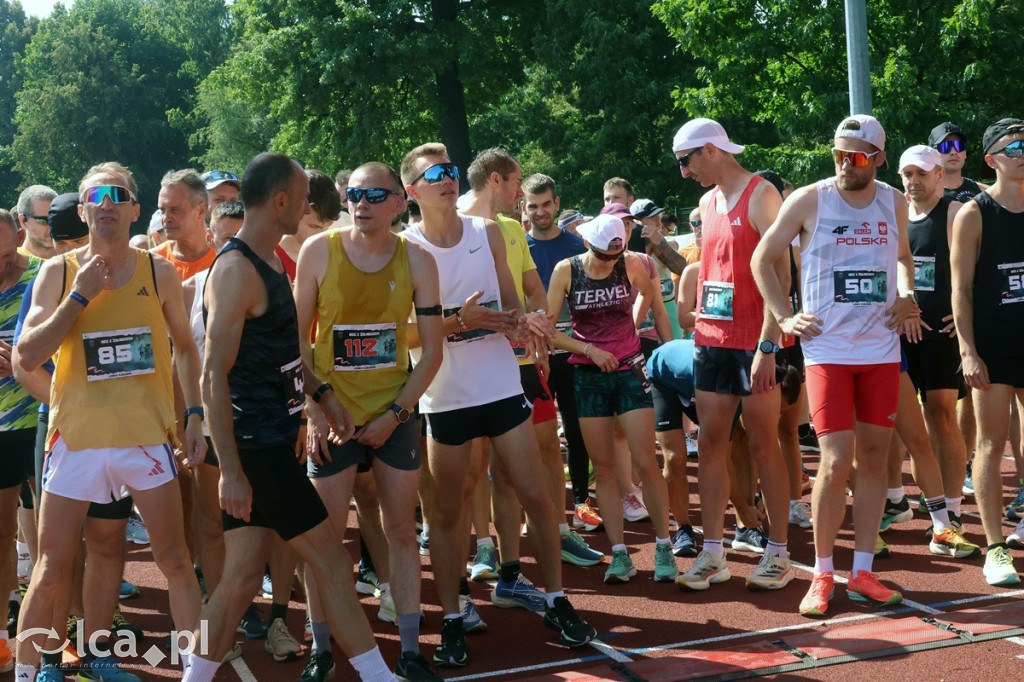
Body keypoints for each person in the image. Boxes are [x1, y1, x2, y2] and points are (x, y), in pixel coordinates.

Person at [183, 152, 396, 682]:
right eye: (302, 198)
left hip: (272, 441)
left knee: (238, 580)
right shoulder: (235, 271)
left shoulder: (273, 258)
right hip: (257, 451)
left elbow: (285, 349)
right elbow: (212, 377)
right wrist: (231, 471)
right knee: (332, 562)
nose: (307, 207)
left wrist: (321, 395)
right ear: (280, 201)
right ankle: (378, 676)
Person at [400, 143, 595, 668]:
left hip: (501, 386)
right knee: (447, 512)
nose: (447, 179)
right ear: (412, 191)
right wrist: (458, 322)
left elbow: (511, 305)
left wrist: (525, 322)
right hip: (445, 397)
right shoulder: (406, 247)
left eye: (449, 170)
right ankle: (454, 617)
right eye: (434, 174)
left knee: (537, 496)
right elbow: (406, 337)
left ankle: (557, 600)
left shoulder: (487, 233)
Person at [15, 162, 205, 680]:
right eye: (95, 196)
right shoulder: (58, 273)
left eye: (117, 195)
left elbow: (186, 350)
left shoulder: (158, 272)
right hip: (76, 440)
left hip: (144, 439)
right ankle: (33, 673)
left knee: (174, 560)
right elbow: (27, 355)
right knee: (51, 569)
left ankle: (195, 672)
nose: (106, 204)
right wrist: (80, 296)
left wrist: (192, 414)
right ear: (83, 210)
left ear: (134, 209)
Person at [752, 114, 920, 616]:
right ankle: (822, 573)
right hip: (827, 349)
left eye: (857, 156)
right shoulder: (810, 199)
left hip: (881, 349)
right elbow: (763, 258)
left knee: (876, 457)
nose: (846, 164)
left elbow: (904, 258)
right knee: (835, 458)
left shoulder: (894, 200)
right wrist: (785, 316)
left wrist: (906, 294)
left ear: (879, 158)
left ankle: (863, 570)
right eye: (839, 154)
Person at [294, 161, 444, 681]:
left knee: (401, 532)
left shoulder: (418, 259)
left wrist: (396, 415)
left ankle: (410, 652)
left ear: (400, 202)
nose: (361, 204)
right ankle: (321, 651)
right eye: (354, 194)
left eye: (375, 196)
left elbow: (432, 354)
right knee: (324, 540)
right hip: (332, 418)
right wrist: (316, 407)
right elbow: (295, 345)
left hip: (392, 415)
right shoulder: (319, 251)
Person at [462, 149, 603, 574]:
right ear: (496, 180)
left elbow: (533, 290)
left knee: (544, 447)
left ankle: (560, 532)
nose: (522, 196)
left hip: (522, 360)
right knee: (477, 462)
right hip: (469, 362)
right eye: (516, 183)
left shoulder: (510, 229)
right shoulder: (449, 226)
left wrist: (539, 328)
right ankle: (485, 546)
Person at [670, 117, 794, 593]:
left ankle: (778, 552)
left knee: (764, 445)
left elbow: (782, 275)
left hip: (755, 342)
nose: (685, 172)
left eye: (687, 161)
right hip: (711, 340)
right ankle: (714, 553)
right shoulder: (707, 202)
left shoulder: (762, 195)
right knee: (710, 445)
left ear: (711, 150)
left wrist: (767, 345)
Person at [547, 213, 676, 583]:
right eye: (604, 256)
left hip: (629, 371)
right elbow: (551, 330)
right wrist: (589, 349)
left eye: (615, 256)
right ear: (588, 244)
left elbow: (648, 293)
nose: (610, 263)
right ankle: (620, 554)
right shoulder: (566, 270)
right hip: (588, 376)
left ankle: (664, 546)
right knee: (603, 469)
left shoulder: (630, 263)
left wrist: (630, 327)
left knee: (646, 461)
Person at [950, 118, 1024, 587]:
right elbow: (959, 289)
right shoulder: (973, 213)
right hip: (993, 346)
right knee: (991, 445)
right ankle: (996, 547)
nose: (1023, 153)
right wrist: (968, 352)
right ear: (991, 159)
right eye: (1015, 147)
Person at [895, 145, 977, 556]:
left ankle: (953, 511)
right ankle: (899, 501)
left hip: (940, 333)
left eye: (921, 173)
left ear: (939, 175)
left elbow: (974, 271)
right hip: (899, 332)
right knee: (902, 427)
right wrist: (904, 303)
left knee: (941, 418)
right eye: (907, 174)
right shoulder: (894, 213)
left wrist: (964, 318)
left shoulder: (953, 213)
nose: (914, 181)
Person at [523, 174, 601, 532]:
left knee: (576, 429)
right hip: (530, 355)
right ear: (524, 207)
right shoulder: (516, 246)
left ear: (557, 204)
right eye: (532, 206)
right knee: (531, 438)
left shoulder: (577, 245)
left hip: (572, 353)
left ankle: (582, 503)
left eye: (546, 204)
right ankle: (540, 511)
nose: (540, 212)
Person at [0, 208, 40, 673]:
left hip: (41, 420)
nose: (3, 265)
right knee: (0, 535)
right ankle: (3, 635)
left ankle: (64, 630)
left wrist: (20, 358)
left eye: (8, 254)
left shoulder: (43, 275)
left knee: (57, 537)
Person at [155, 170, 215, 280]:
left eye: (174, 210)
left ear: (200, 210)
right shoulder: (153, 262)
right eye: (162, 210)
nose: (166, 218)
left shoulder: (224, 257)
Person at [928, 122, 989, 203]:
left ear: (965, 153)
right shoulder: (922, 197)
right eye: (945, 147)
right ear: (932, 155)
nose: (953, 152)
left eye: (959, 146)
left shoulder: (986, 193)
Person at [15, 186, 57, 260]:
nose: (52, 227)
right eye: (43, 221)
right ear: (23, 221)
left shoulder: (75, 260)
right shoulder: (10, 262)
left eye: (56, 219)